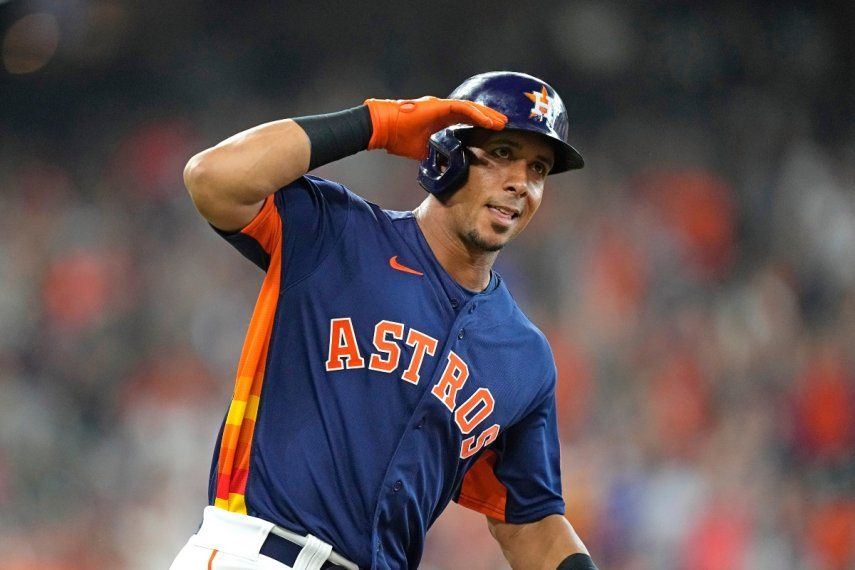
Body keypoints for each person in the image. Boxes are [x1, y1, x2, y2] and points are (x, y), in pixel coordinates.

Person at [171, 71, 598, 570]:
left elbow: (530, 524)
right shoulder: (339, 233)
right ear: (448, 157)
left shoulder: (523, 355)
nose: (520, 183)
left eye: (539, 168)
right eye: (502, 153)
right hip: (259, 552)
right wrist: (378, 123)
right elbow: (212, 179)